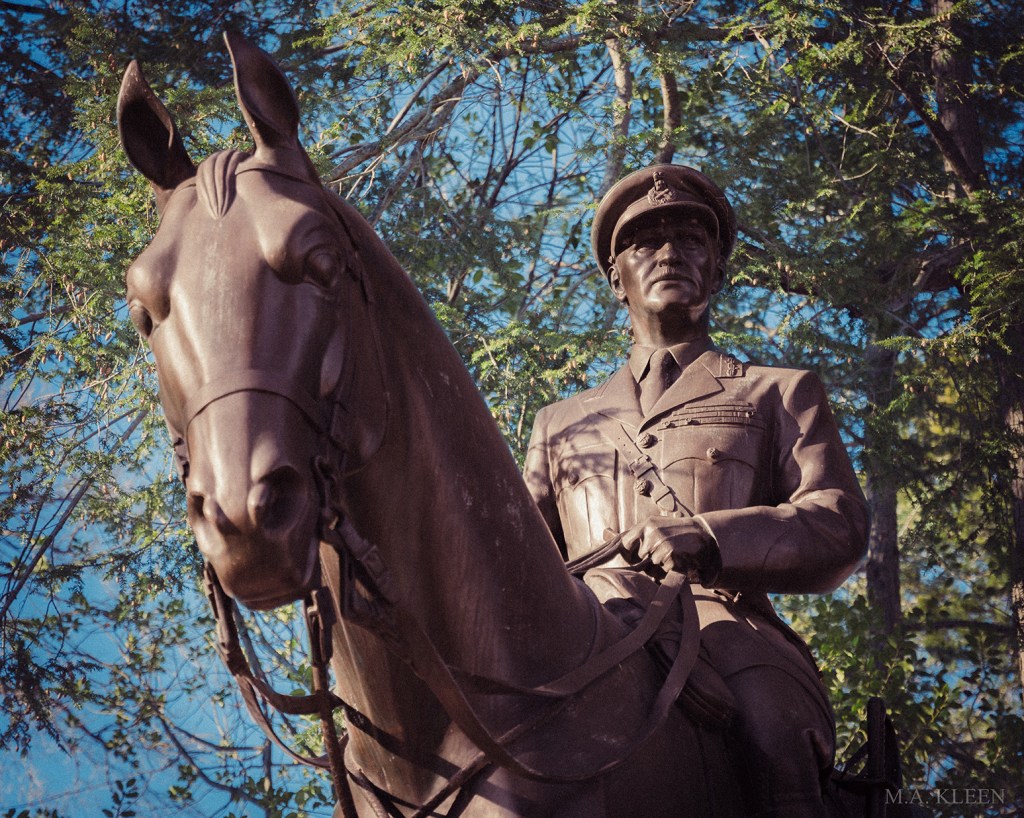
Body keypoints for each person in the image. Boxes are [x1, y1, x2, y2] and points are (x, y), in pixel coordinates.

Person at [523, 164, 869, 818]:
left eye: (690, 239)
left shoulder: (778, 392)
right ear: (615, 279)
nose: (670, 253)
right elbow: (515, 559)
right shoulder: (559, 422)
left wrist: (711, 537)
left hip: (722, 624)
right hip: (584, 628)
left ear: (716, 271)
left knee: (775, 738)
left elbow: (838, 523)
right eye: (645, 242)